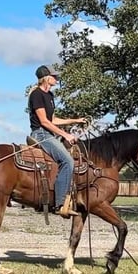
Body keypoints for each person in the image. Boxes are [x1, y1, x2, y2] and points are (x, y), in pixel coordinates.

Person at [28, 64, 86, 218]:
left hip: (49, 133)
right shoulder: (37, 95)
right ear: (46, 78)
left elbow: (53, 119)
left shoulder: (50, 96)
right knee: (68, 161)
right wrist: (66, 135)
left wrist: (75, 120)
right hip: (41, 134)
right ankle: (60, 204)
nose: (57, 79)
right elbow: (44, 122)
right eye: (54, 76)